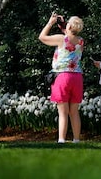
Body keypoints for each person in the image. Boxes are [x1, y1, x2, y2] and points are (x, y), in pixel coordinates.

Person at [39, 13, 85, 143]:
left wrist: (50, 23)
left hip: (62, 76)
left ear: (70, 25)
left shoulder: (60, 39)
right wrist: (64, 25)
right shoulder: (81, 41)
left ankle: (61, 140)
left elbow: (42, 37)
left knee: (63, 112)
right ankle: (76, 139)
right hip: (77, 77)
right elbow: (70, 37)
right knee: (74, 112)